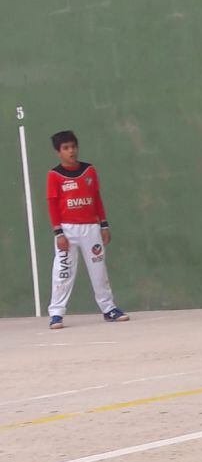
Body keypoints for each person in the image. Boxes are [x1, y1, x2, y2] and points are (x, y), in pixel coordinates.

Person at [46, 130, 129, 329]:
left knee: (99, 270)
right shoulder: (54, 175)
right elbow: (52, 205)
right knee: (63, 272)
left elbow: (97, 198)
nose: (71, 151)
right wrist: (58, 233)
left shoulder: (89, 170)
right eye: (66, 148)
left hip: (91, 228)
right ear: (59, 152)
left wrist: (104, 224)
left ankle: (109, 309)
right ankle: (56, 314)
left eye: (73, 146)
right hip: (67, 230)